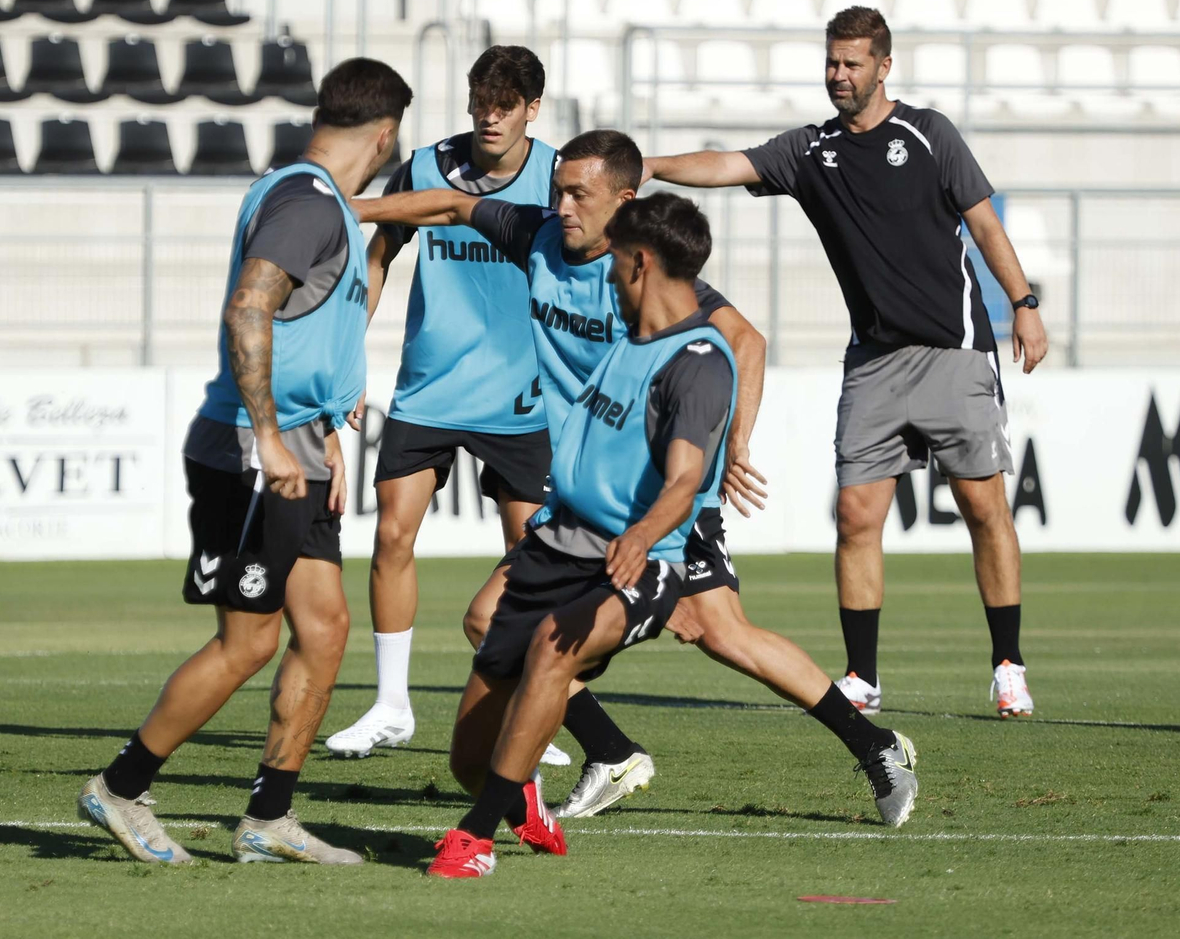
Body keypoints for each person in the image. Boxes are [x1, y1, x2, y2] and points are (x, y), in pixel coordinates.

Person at [354, 130, 915, 824]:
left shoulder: (647, 274)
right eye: (557, 189)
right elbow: (447, 206)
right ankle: (612, 752)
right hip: (589, 500)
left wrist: (733, 442)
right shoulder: (537, 238)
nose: (559, 205)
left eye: (577, 195)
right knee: (491, 620)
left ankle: (872, 744)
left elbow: (746, 340)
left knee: (722, 633)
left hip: (656, 497)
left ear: (625, 202)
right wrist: (357, 209)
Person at [644, 6, 1049, 719]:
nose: (839, 75)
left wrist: (1023, 300)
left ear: (884, 67)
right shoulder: (810, 150)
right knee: (858, 514)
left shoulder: (929, 134)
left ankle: (1008, 663)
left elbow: (984, 221)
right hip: (873, 363)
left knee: (984, 506)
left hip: (953, 352)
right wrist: (645, 166)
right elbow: (729, 164)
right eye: (832, 62)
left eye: (853, 63)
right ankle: (862, 674)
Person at [77, 57, 412, 866]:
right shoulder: (306, 202)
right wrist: (268, 434)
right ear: (387, 133)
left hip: (299, 443)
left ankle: (269, 816)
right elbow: (250, 306)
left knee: (325, 629)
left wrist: (322, 426)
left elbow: (306, 327)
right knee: (248, 642)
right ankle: (121, 788)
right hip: (253, 449)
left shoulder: (309, 193)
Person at [327, 46, 565, 762]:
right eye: (481, 101)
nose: (491, 116)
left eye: (507, 104)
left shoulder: (559, 177)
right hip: (429, 388)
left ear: (532, 109)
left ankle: (531, 706)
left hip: (522, 398)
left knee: (533, 558)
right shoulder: (425, 167)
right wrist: (346, 358)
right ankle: (392, 705)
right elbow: (377, 258)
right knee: (392, 536)